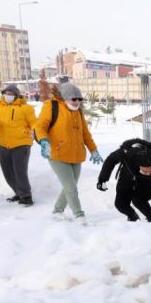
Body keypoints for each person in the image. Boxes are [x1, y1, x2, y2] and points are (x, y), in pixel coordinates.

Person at [34, 83, 102, 223]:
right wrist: (44, 140)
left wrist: (93, 150)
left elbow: (85, 134)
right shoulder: (52, 106)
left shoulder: (78, 111)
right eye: (74, 99)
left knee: (70, 186)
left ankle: (57, 210)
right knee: (71, 187)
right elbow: (40, 126)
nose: (77, 102)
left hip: (76, 155)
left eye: (79, 99)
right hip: (57, 154)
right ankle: (79, 215)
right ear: (64, 98)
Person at [0, 84, 37, 205]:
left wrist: (35, 131)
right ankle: (18, 192)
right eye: (6, 93)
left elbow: (34, 123)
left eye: (11, 94)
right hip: (3, 144)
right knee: (8, 172)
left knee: (20, 171)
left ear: (16, 95)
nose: (8, 96)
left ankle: (26, 196)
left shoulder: (26, 108)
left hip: (21, 144)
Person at [97, 138, 151, 222]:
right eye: (145, 171)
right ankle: (133, 217)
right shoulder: (128, 153)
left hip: (147, 183)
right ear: (138, 165)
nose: (148, 173)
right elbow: (111, 159)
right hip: (128, 177)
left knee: (138, 200)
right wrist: (102, 179)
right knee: (120, 204)